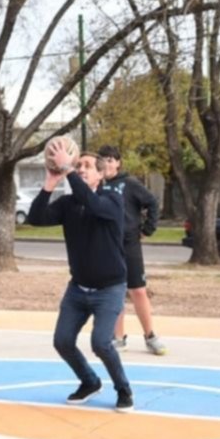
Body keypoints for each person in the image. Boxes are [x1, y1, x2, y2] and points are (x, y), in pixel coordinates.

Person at [27, 136, 134, 413]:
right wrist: (50, 182)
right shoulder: (68, 203)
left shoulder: (112, 200)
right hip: (78, 288)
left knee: (101, 342)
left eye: (87, 166)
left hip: (110, 288)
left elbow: (94, 205)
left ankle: (123, 389)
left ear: (100, 174)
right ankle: (89, 381)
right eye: (79, 165)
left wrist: (69, 170)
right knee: (62, 341)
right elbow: (36, 218)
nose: (82, 169)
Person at [97, 146, 167, 355]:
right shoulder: (96, 186)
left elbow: (152, 202)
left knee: (138, 291)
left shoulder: (130, 184)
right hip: (108, 247)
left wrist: (147, 229)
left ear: (118, 163)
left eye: (111, 160)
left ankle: (150, 336)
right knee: (115, 292)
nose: (107, 164)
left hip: (129, 245)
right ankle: (119, 338)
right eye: (103, 160)